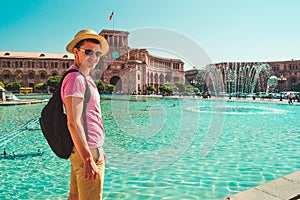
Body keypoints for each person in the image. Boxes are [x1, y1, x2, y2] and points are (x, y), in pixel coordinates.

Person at [62, 29, 109, 200]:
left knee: (74, 198)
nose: (94, 57)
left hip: (84, 150)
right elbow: (73, 122)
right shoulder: (77, 79)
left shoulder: (84, 77)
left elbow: (91, 117)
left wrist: (99, 148)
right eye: (88, 52)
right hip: (86, 153)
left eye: (97, 54)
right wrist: (89, 159)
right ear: (76, 52)